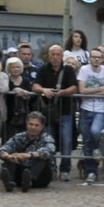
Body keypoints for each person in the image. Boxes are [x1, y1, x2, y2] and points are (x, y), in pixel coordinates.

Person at [34, 45, 78, 180]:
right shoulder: (43, 69)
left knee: (66, 140)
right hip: (47, 111)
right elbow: (35, 86)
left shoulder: (68, 70)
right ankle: (51, 168)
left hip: (65, 111)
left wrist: (63, 92)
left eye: (58, 54)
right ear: (49, 55)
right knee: (49, 141)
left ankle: (65, 169)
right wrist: (43, 90)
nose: (55, 57)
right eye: (52, 54)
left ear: (62, 56)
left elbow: (74, 87)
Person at [76, 46, 104, 183]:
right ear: (90, 58)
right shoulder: (84, 70)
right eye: (94, 57)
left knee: (95, 131)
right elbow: (82, 90)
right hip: (86, 108)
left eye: (99, 57)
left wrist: (90, 90)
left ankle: (97, 147)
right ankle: (91, 170)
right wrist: (100, 88)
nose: (97, 59)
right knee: (86, 140)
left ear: (102, 58)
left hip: (101, 109)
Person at [0, 112, 57, 192]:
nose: (33, 127)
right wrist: (8, 156)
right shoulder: (19, 136)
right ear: (26, 124)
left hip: (40, 177)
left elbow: (50, 150)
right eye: (31, 124)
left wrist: (28, 155)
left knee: (43, 158)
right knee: (10, 157)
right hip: (22, 174)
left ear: (42, 126)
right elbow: (3, 148)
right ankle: (9, 182)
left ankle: (29, 180)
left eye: (36, 125)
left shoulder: (47, 138)